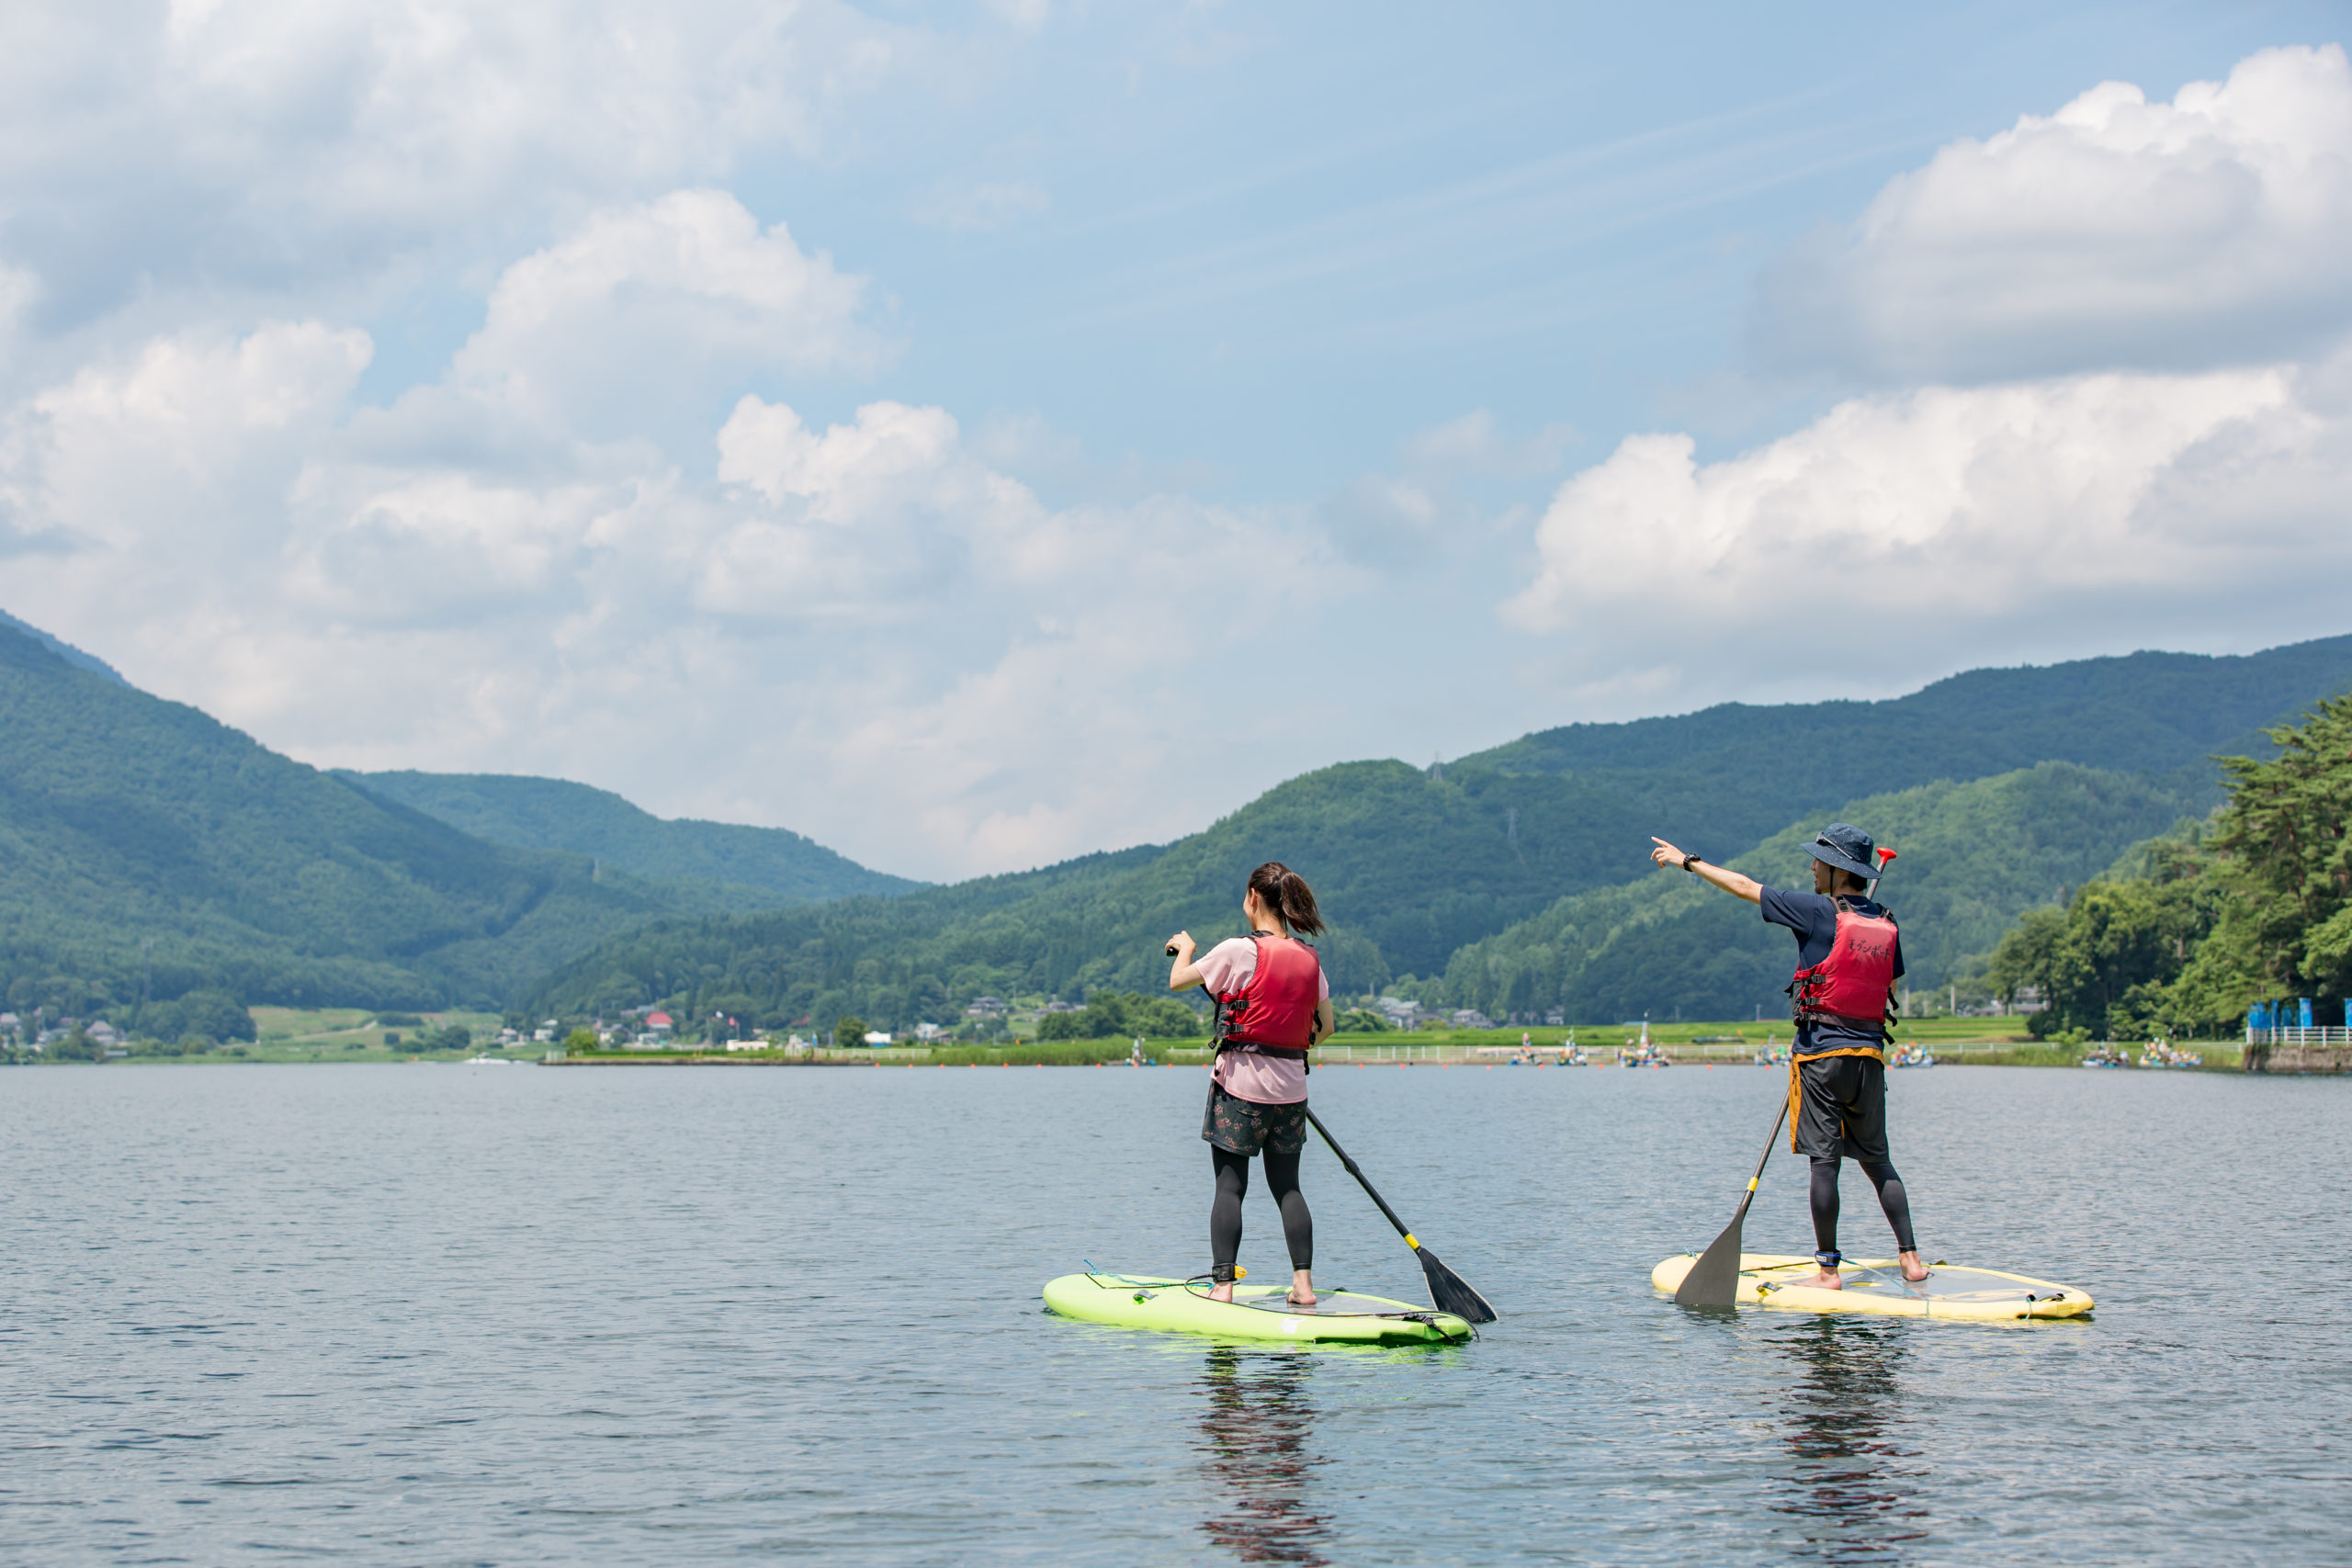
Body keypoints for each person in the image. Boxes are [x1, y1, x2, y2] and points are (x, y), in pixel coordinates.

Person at [1648, 823, 1928, 1290]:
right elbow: (1890, 988)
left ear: (1838, 870)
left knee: (1825, 1162)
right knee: (1879, 1161)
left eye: (1818, 861)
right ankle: (1911, 1259)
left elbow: (1743, 886)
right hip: (1869, 1058)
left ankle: (1827, 1271)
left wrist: (1688, 862)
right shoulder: (1885, 922)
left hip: (1821, 1059)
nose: (1811, 867)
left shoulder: (1815, 910)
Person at [1167, 862, 1336, 1306]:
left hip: (1240, 1090)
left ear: (1253, 898)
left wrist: (1186, 947)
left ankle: (1223, 1287)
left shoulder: (1238, 950)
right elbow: (1327, 1028)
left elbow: (1177, 981)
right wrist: (1285, 1049)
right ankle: (1303, 1286)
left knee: (1230, 1188)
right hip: (1291, 1092)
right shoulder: (1308, 958)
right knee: (1289, 1188)